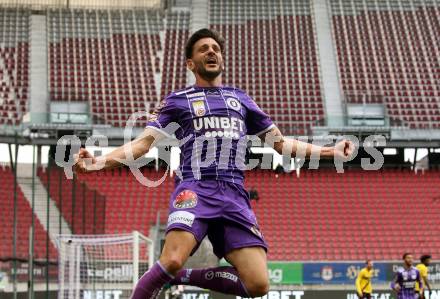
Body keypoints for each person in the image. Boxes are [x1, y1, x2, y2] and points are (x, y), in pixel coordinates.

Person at [74, 28, 354, 299]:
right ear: (191, 62)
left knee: (257, 284)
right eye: (204, 49)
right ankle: (171, 273)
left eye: (216, 49)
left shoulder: (241, 99)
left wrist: (331, 151)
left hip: (234, 193)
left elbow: (280, 144)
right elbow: (142, 145)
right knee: (171, 259)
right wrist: (98, 162)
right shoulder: (177, 100)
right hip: (195, 188)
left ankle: (181, 278)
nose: (211, 52)